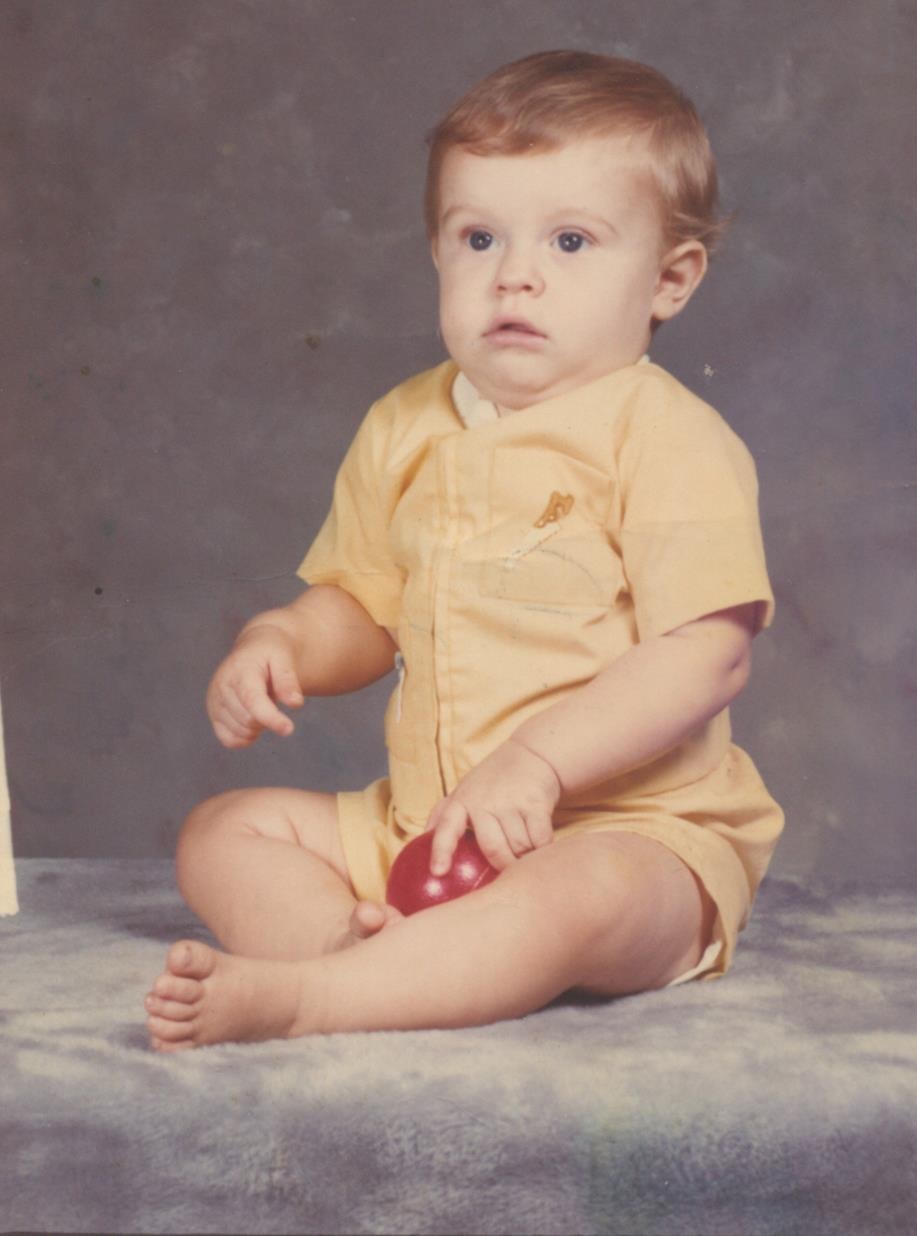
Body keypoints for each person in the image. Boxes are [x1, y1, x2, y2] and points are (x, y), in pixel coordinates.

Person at [144, 50, 783, 1050]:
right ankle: (353, 951)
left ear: (669, 279)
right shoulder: (404, 425)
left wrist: (538, 764)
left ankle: (320, 1001)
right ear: (438, 254)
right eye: (479, 237)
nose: (514, 273)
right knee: (223, 834)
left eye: (570, 240)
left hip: (628, 830)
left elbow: (708, 654)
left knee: (582, 894)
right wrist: (282, 640)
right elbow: (363, 607)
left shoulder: (664, 437)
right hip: (429, 827)